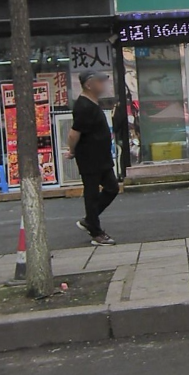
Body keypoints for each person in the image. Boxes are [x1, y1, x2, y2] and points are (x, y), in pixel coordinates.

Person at [66, 70, 119, 246]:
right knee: (92, 193)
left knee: (112, 187)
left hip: (101, 157)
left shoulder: (93, 103)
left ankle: (89, 220)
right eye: (99, 81)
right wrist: (71, 150)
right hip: (89, 157)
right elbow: (74, 133)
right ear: (89, 85)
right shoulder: (83, 106)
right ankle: (96, 232)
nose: (103, 85)